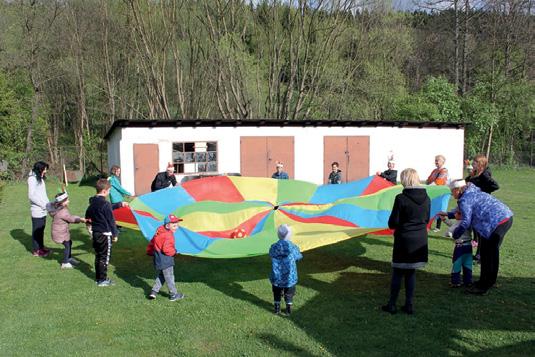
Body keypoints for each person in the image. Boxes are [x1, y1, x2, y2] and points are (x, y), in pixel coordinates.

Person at [439, 180, 513, 295]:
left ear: (458, 190)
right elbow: (464, 213)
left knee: (487, 252)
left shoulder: (465, 199)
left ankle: (483, 286)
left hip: (496, 222)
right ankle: (488, 281)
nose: (452, 195)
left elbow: (465, 222)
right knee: (491, 252)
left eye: (452, 191)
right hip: (505, 217)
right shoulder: (471, 191)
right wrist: (448, 214)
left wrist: (455, 234)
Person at [382, 168, 430, 315]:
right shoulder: (427, 198)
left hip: (404, 239)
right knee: (410, 273)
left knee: (398, 272)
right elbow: (427, 219)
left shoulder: (401, 198)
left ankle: (392, 304)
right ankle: (409, 304)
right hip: (420, 239)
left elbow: (393, 222)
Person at [465, 154, 499, 263]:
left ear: (480, 164)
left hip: (482, 205)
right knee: (476, 228)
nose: (473, 163)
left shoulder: (485, 174)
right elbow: (467, 181)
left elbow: (495, 186)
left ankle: (480, 255)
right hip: (474, 204)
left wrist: (482, 191)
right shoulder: (475, 173)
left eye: (475, 162)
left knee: (481, 230)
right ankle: (478, 253)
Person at [85, 178, 119, 287]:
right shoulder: (106, 204)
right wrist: (115, 234)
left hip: (96, 233)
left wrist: (119, 205)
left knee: (98, 256)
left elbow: (88, 216)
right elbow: (111, 221)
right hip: (105, 234)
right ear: (104, 191)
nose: (109, 193)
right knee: (104, 257)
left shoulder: (92, 202)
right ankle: (102, 280)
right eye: (109, 191)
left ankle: (98, 278)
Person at [146, 214, 185, 301]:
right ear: (167, 225)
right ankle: (173, 294)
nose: (176, 227)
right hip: (165, 259)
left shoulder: (160, 231)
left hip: (159, 258)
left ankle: (154, 292)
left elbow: (153, 241)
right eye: (174, 225)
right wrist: (174, 252)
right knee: (169, 277)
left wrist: (149, 250)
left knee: (162, 275)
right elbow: (167, 249)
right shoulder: (168, 235)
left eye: (177, 225)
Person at [269, 224, 302, 315]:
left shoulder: (274, 247)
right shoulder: (292, 247)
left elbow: (271, 255)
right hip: (289, 277)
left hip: (277, 276)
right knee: (289, 292)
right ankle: (288, 309)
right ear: (289, 235)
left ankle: (277, 308)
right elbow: (298, 257)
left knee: (276, 291)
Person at [48, 192, 87, 269]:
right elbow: (70, 218)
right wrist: (80, 219)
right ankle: (65, 262)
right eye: (67, 200)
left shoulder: (58, 208)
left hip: (61, 231)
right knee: (67, 245)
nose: (69, 201)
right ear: (62, 202)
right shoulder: (62, 211)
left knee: (69, 243)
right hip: (60, 233)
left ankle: (69, 258)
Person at [443, 210, 473, 287]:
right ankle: (468, 281)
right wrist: (444, 220)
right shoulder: (467, 222)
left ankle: (455, 282)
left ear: (460, 215)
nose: (455, 214)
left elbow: (449, 231)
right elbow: (453, 225)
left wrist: (448, 234)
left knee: (457, 262)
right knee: (467, 263)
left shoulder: (459, 223)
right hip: (468, 245)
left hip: (460, 246)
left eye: (457, 213)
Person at [28, 161, 51, 257]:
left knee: (41, 229)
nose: (45, 171)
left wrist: (49, 204)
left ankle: (41, 247)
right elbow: (31, 196)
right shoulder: (32, 179)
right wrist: (42, 205)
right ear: (39, 169)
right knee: (36, 231)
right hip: (37, 210)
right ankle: (36, 250)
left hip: (43, 209)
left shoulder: (40, 178)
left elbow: (43, 194)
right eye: (44, 169)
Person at [426, 155, 449, 232]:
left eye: (438, 160)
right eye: (435, 160)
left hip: (442, 193)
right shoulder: (434, 171)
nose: (436, 162)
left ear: (443, 162)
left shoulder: (444, 171)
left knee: (440, 209)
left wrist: (428, 187)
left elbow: (438, 181)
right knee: (432, 208)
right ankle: (428, 225)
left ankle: (438, 227)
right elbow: (428, 179)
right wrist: (427, 184)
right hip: (434, 192)